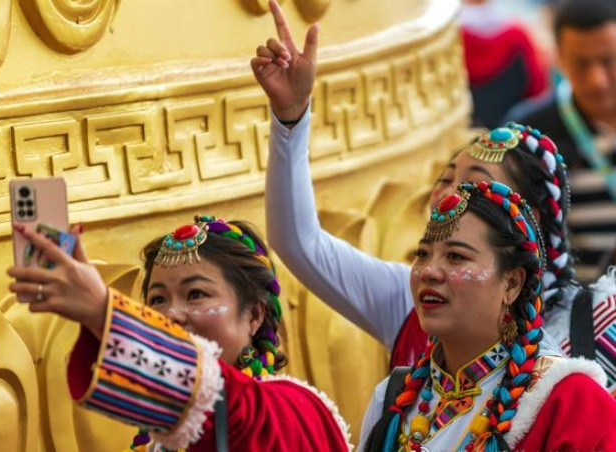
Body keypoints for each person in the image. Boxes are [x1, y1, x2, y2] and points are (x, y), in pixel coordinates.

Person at [252, 0, 616, 394]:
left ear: (530, 220)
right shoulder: (416, 298)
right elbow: (299, 242)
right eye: (444, 179)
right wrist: (290, 117)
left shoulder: (596, 321)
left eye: (473, 183)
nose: (447, 195)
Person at [7, 215, 352, 451]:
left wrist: (101, 311)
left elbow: (223, 401)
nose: (171, 315)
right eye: (157, 299)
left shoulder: (290, 409)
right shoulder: (160, 439)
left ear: (254, 315)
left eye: (196, 294)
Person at [360, 181, 616, 451]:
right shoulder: (391, 399)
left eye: (456, 256)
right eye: (422, 254)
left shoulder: (571, 403)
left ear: (512, 283)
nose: (428, 271)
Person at [505, 0, 616, 280]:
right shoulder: (529, 135)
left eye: (608, 60)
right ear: (558, 59)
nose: (597, 80)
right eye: (581, 63)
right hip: (571, 301)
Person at [461, 0, 548, 127]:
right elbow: (537, 89)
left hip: (472, 129)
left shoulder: (452, 42)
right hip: (517, 129)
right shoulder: (518, 36)